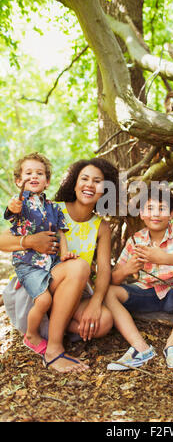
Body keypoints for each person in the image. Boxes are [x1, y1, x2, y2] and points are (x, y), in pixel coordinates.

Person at [1, 157, 118, 373]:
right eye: (84, 178)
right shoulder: (49, 209)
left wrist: (95, 303)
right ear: (73, 182)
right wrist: (29, 241)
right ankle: (53, 349)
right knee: (80, 266)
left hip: (71, 290)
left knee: (104, 321)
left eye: (97, 181)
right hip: (38, 285)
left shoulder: (102, 227)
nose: (89, 185)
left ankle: (51, 328)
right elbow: (2, 240)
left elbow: (103, 271)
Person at [105, 185, 173, 371]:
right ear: (142, 214)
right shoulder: (136, 240)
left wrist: (164, 258)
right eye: (150, 208)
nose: (155, 214)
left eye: (162, 209)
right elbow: (113, 280)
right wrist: (127, 269)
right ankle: (141, 349)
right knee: (107, 292)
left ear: (170, 214)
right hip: (147, 293)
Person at [4, 153, 76, 356]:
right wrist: (13, 207)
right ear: (19, 181)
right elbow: (11, 210)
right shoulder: (21, 203)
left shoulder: (53, 207)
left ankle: (59, 331)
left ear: (47, 181)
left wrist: (65, 253)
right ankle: (31, 334)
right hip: (28, 264)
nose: (34, 176)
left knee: (69, 280)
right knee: (44, 301)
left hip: (51, 262)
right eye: (28, 173)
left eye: (39, 173)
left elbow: (61, 232)